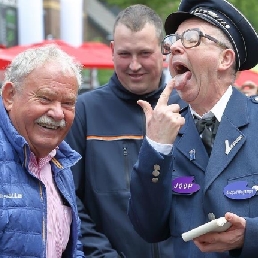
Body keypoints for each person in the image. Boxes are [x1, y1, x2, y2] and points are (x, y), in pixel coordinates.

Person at [128, 0, 258, 257]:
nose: (174, 47)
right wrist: (156, 147)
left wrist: (250, 234)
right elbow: (148, 227)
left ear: (225, 58)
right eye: (172, 41)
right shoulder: (162, 126)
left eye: (191, 38)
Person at [65, 4, 180, 257]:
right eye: (125, 54)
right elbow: (68, 200)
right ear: (112, 51)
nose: (134, 65)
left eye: (144, 53)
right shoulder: (83, 112)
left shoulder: (187, 109)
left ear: (164, 51)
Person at [0, 44, 85, 257]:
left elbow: (72, 247)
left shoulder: (60, 161)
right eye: (45, 98)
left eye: (68, 103)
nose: (58, 113)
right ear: (10, 95)